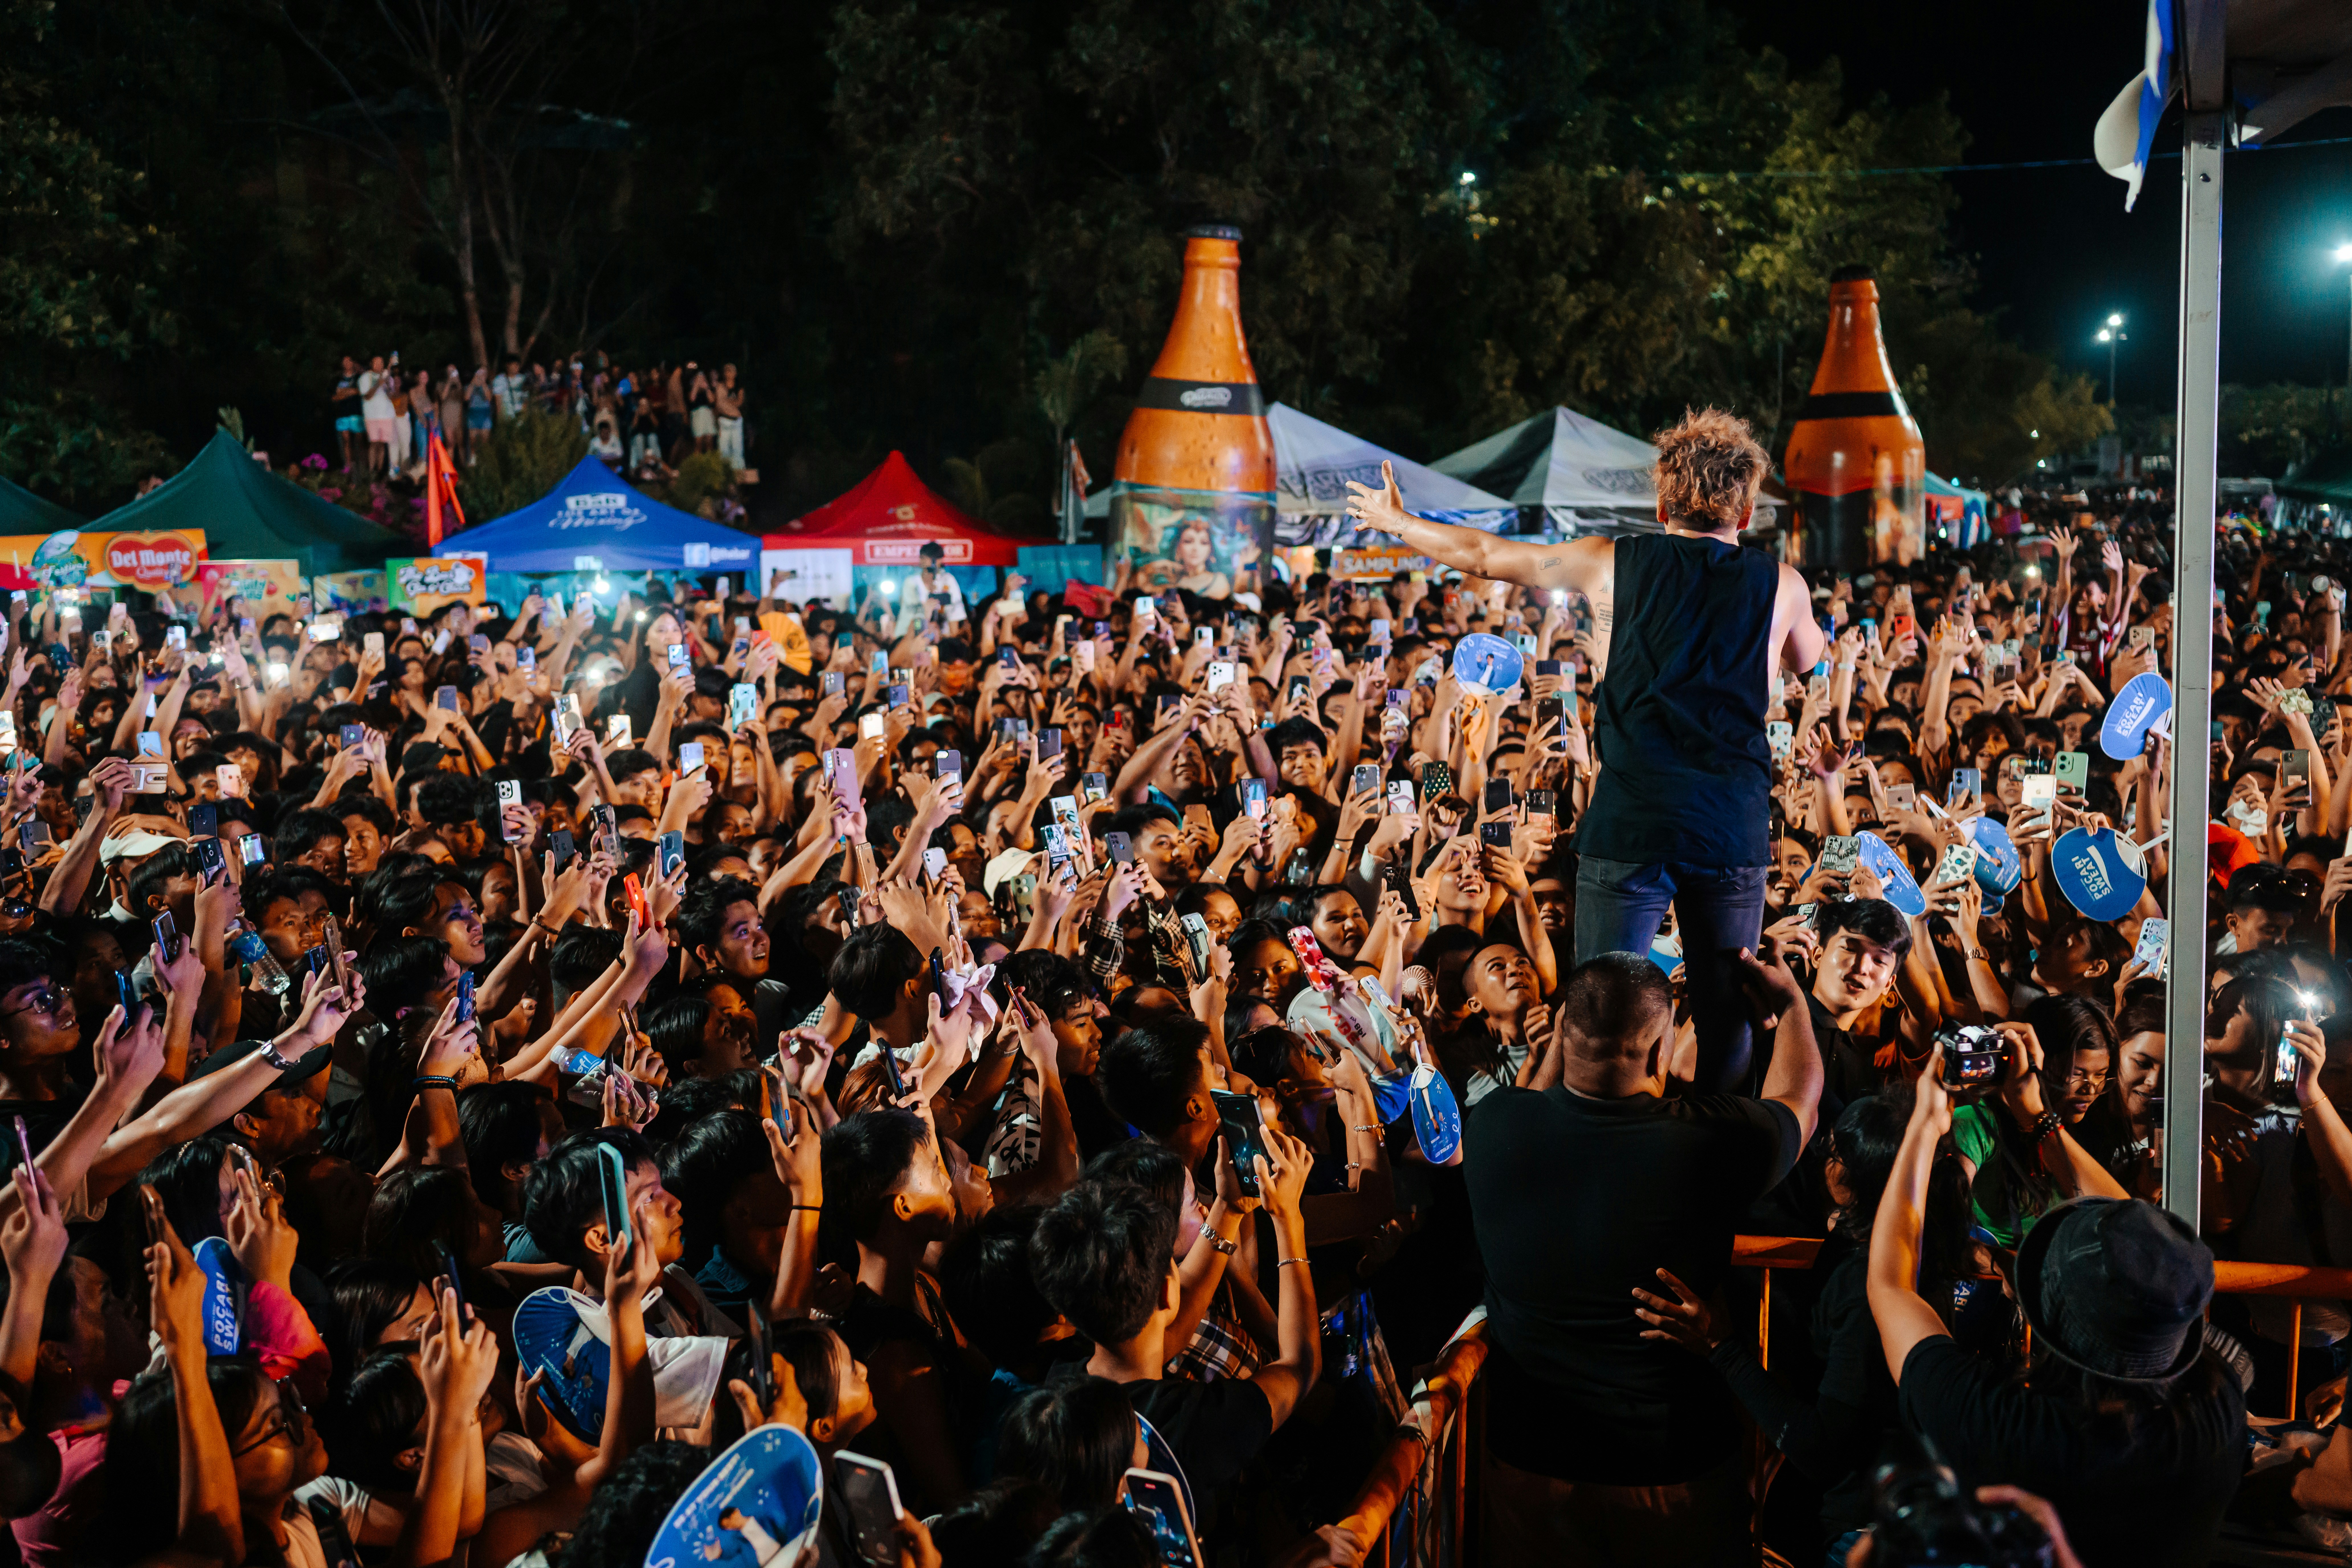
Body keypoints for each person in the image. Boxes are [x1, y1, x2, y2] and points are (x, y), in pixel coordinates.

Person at [1347, 408, 1829, 1091]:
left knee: (1603, 1003)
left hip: (1629, 822)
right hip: (1730, 824)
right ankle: (1719, 1154)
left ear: (1662, 505)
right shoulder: (1780, 583)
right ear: (1746, 512)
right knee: (1728, 1011)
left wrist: (1400, 523)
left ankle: (1601, 1137)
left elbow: (1487, 556)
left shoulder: (1608, 562)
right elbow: (1815, 664)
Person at [1461, 944, 1821, 1563]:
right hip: (1670, 1471)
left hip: (1531, 1466)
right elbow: (1801, 1103)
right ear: (1660, 1052)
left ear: (1564, 1033)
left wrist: (1566, 1033)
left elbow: (1537, 1095)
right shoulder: (1708, 1140)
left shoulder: (1494, 1126)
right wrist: (1792, 1006)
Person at [1868, 1047, 2245, 1566]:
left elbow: (1891, 1288)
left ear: (2049, 1318)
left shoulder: (2013, 1432)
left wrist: (1926, 1125)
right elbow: (2142, 1240)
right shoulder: (2217, 1409)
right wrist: (2038, 1116)